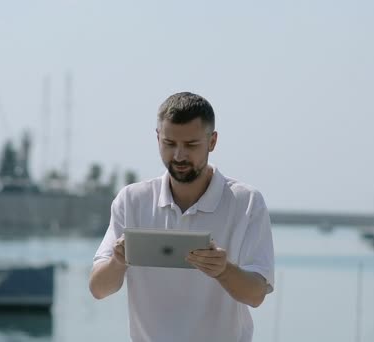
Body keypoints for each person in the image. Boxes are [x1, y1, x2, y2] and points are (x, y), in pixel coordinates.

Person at [89, 92, 275, 342]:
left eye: (191, 145)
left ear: (212, 141)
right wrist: (118, 262)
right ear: (157, 138)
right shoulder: (132, 200)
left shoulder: (247, 202)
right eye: (169, 143)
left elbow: (256, 295)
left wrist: (224, 270)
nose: (178, 155)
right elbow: (98, 289)